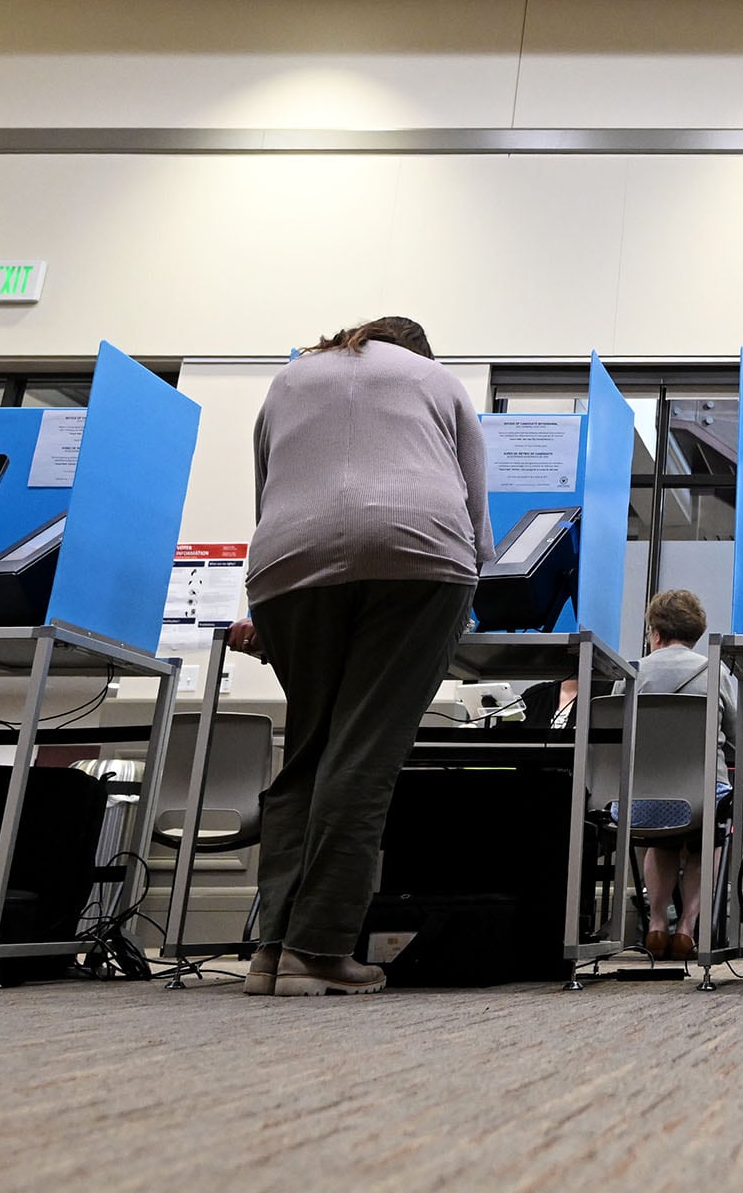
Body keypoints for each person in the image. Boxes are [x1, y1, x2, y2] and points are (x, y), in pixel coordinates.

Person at [223, 315, 488, 997]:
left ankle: (271, 953)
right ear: (418, 351)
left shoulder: (289, 378)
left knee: (307, 750)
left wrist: (268, 600)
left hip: (287, 565)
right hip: (418, 556)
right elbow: (474, 507)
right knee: (363, 752)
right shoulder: (437, 380)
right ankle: (319, 952)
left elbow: (269, 490)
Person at [631, 588, 718, 958]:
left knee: (661, 837)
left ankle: (655, 921)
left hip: (642, 800)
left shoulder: (631, 672)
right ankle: (687, 926)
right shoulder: (714, 673)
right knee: (708, 836)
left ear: (655, 632)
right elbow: (731, 729)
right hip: (701, 798)